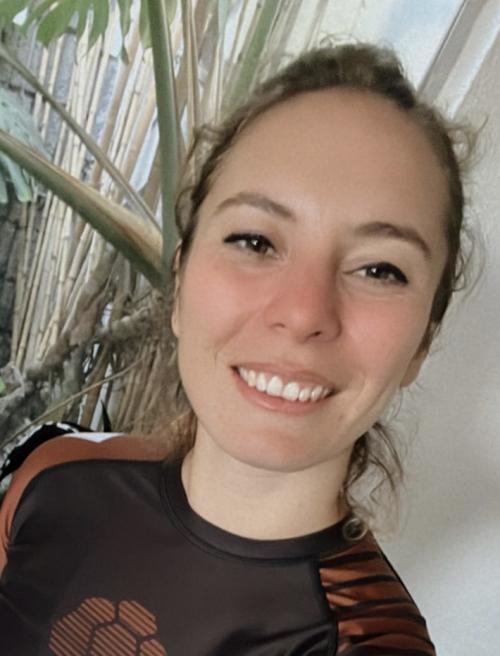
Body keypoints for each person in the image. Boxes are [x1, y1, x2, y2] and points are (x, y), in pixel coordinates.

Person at [0, 42, 470, 655]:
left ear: (421, 343)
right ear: (179, 282)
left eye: (380, 270)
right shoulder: (54, 478)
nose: (303, 313)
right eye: (254, 241)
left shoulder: (371, 641)